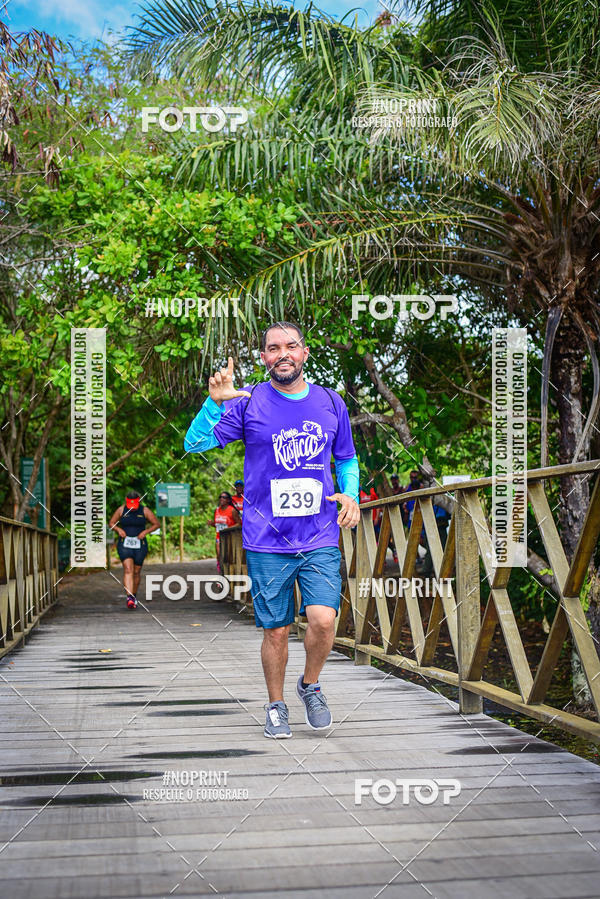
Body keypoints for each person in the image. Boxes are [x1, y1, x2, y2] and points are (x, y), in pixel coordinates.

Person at [184, 321, 360, 739]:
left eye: (291, 346)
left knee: (323, 619)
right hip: (266, 539)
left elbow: (346, 459)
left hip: (319, 533)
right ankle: (276, 705)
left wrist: (351, 494)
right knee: (276, 629)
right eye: (273, 348)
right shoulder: (248, 401)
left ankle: (310, 685)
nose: (283, 354)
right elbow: (194, 444)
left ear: (304, 353)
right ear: (264, 357)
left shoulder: (330, 402)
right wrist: (213, 403)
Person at [109, 491, 159, 609]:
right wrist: (118, 530)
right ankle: (129, 598)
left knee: (136, 572)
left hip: (140, 544)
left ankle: (134, 595)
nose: (132, 507)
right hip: (125, 543)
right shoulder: (121, 510)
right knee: (128, 569)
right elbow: (111, 523)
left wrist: (145, 532)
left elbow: (156, 524)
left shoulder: (145, 510)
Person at [209, 491, 241, 573]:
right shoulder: (217, 510)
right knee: (219, 555)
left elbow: (239, 523)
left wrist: (228, 529)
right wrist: (212, 524)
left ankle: (230, 572)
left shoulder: (232, 510)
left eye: (224, 497)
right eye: (220, 497)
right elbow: (218, 525)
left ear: (228, 500)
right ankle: (221, 572)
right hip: (219, 537)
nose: (221, 499)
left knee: (228, 557)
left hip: (230, 537)